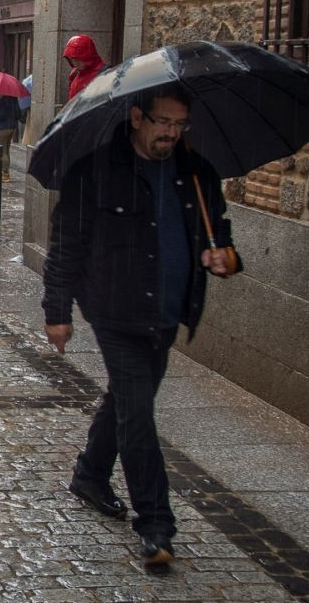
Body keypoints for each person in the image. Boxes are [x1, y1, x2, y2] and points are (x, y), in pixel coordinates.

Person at [41, 83, 238, 570]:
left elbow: (223, 236)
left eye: (179, 125)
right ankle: (156, 524)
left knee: (129, 403)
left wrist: (226, 258)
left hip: (168, 313)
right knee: (138, 415)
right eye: (162, 122)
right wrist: (57, 311)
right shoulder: (96, 171)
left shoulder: (197, 174)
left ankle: (89, 473)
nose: (171, 133)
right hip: (114, 310)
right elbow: (65, 245)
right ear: (137, 117)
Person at [0, 93, 21, 183]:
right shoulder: (14, 97)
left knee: (2, 151)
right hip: (12, 128)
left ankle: (4, 174)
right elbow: (19, 114)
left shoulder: (2, 100)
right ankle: (5, 172)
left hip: (2, 128)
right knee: (6, 150)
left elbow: (0, 115)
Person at [64, 34, 107, 101]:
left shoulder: (104, 74)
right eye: (71, 60)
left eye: (77, 60)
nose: (75, 63)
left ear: (87, 56)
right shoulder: (74, 73)